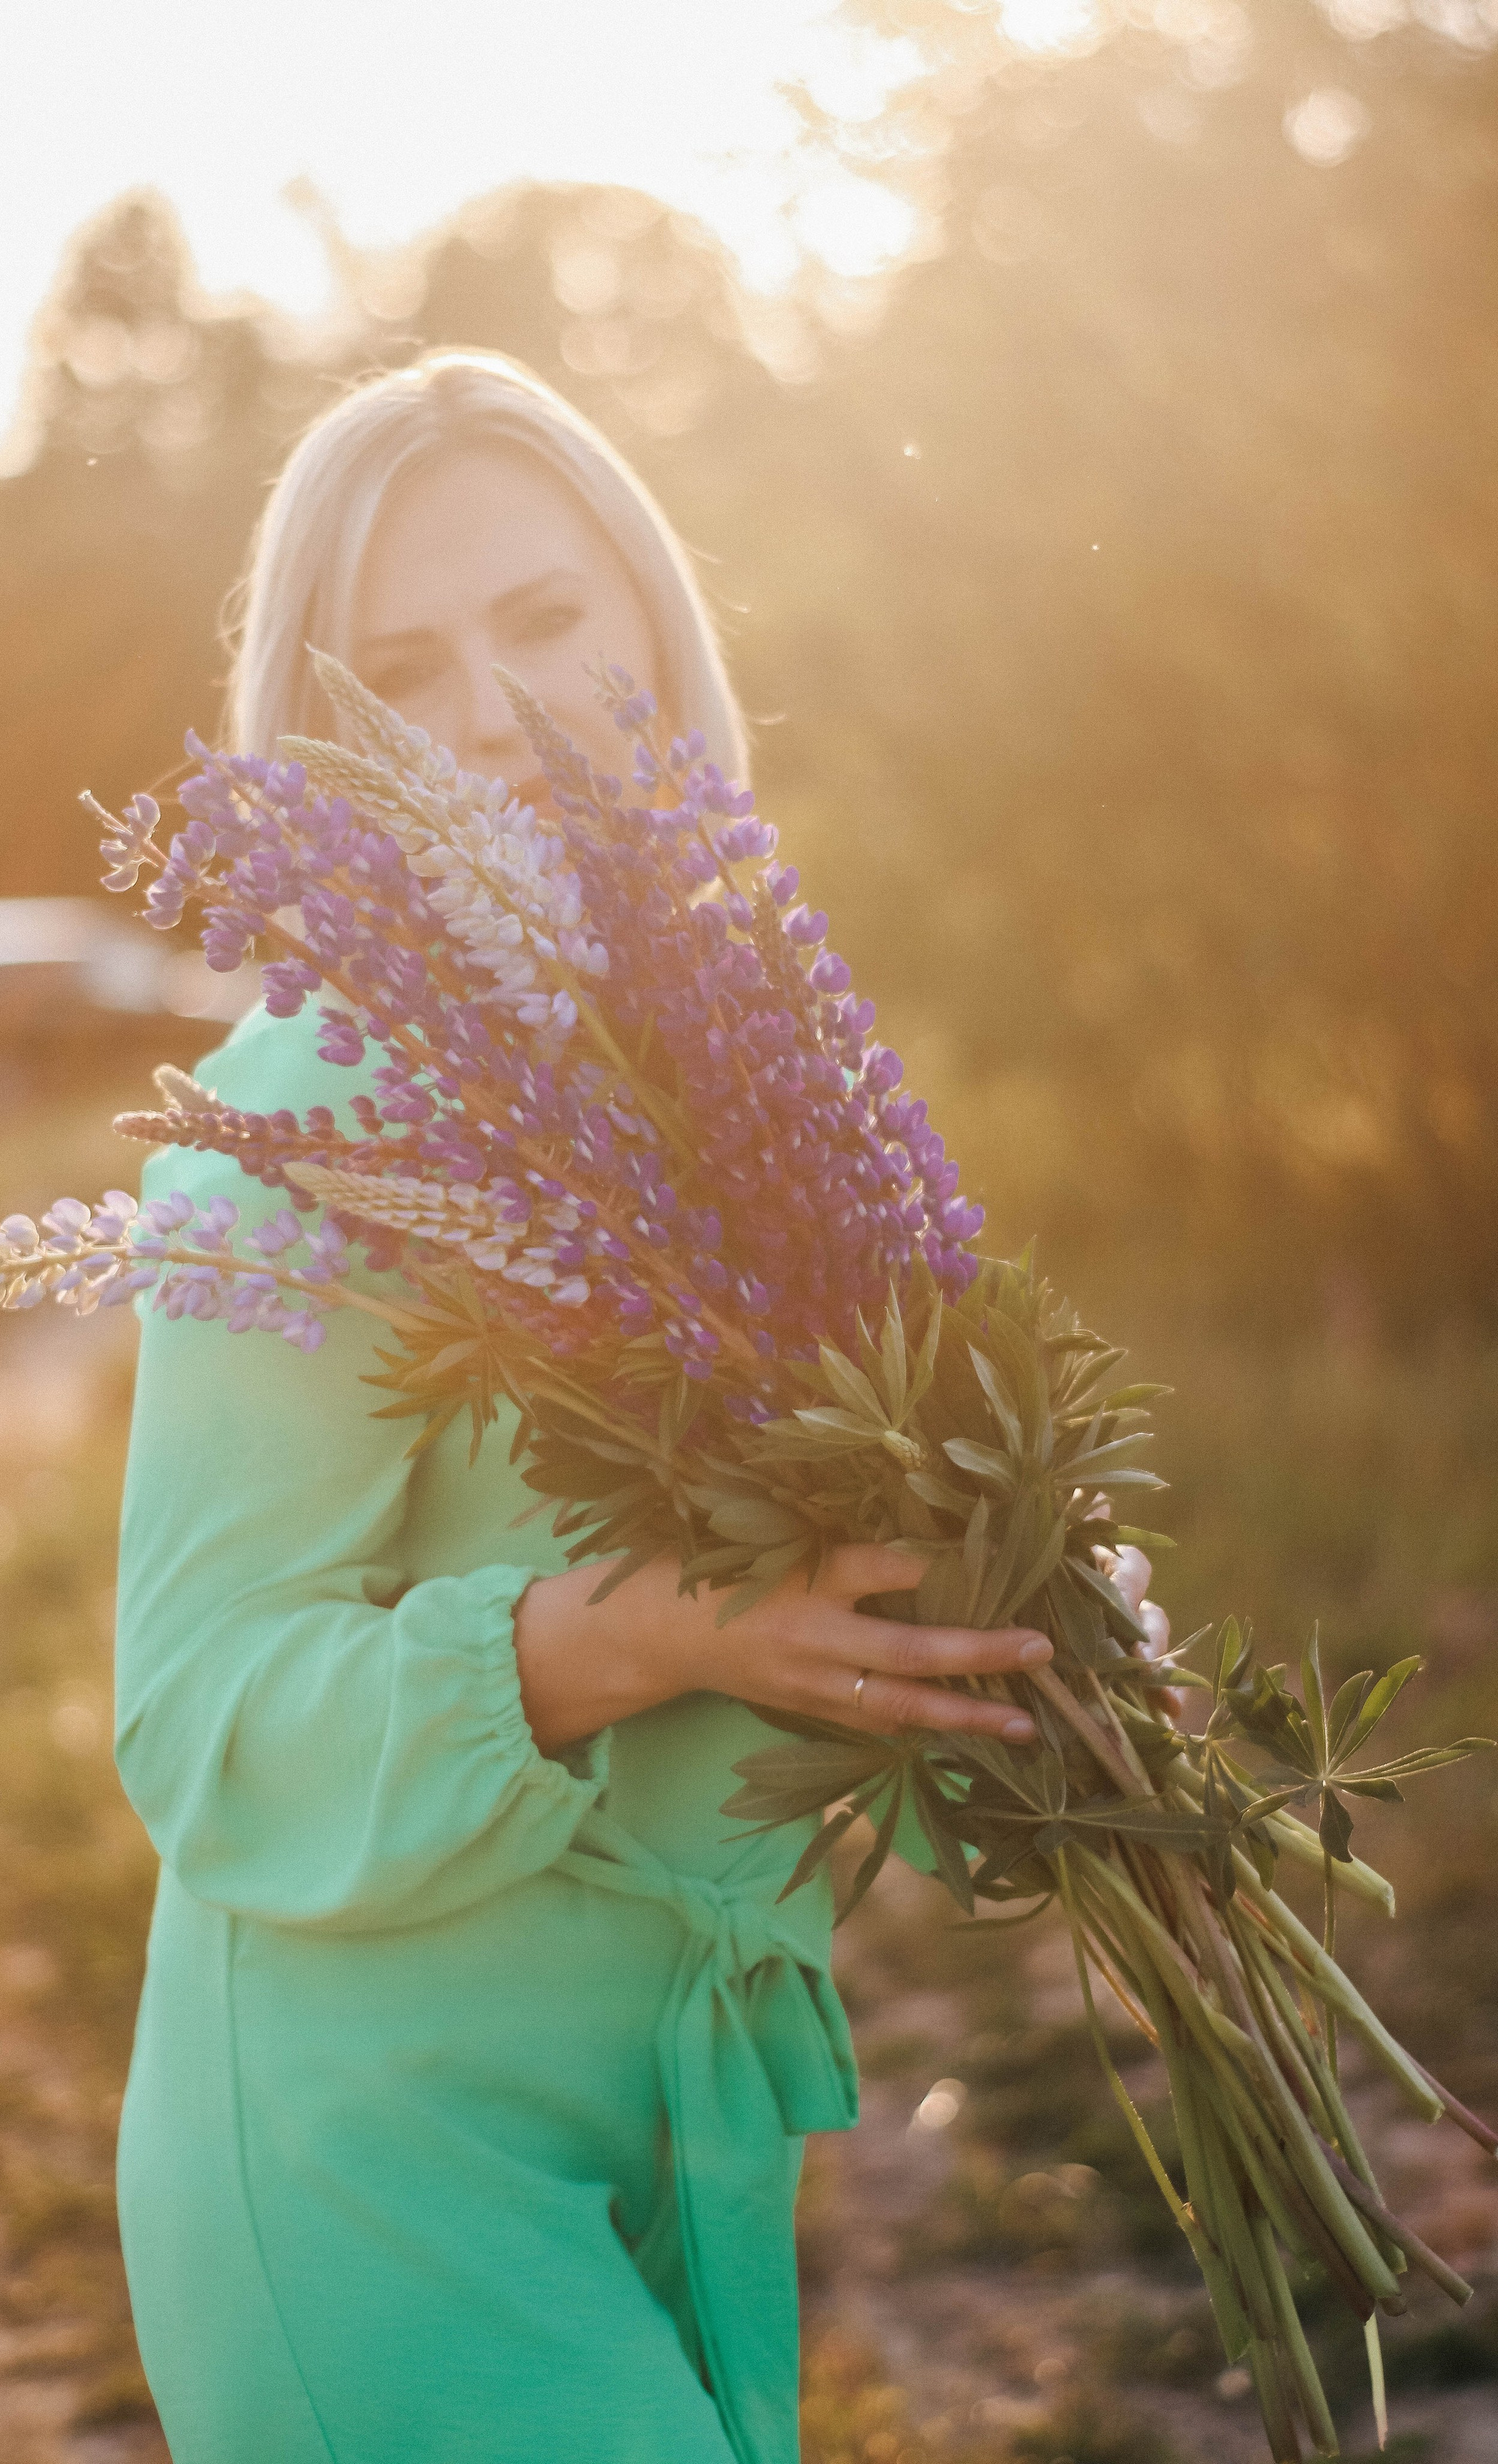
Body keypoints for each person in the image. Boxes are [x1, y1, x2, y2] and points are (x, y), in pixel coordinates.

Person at [113, 348, 1168, 2464]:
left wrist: (1072, 1670)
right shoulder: (308, 1125)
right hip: (366, 2175)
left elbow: (857, 1575)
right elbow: (198, 1719)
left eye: (544, 616)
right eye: (405, 664)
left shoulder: (743, 1073)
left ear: (656, 633)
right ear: (333, 739)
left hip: (661, 2156)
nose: (492, 706)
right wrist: (632, 1640)